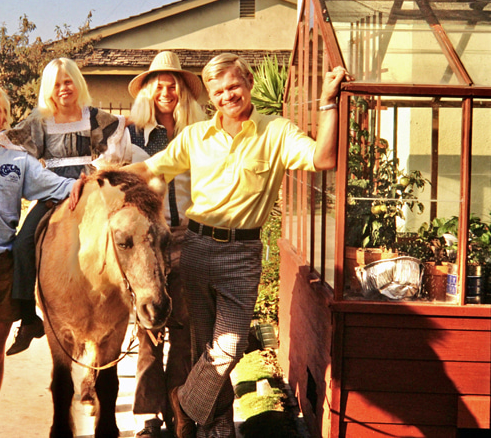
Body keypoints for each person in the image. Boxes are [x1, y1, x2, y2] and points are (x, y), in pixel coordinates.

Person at [125, 53, 350, 438]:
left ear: (247, 83)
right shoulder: (196, 137)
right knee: (203, 350)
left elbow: (323, 158)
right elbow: (149, 168)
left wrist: (329, 102)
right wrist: (96, 177)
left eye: (234, 86)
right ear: (210, 97)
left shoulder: (276, 132)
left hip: (241, 255)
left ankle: (182, 401)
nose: (227, 95)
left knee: (226, 349)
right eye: (218, 90)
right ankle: (219, 429)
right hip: (196, 248)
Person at [0, 83, 83, 438]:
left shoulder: (18, 161)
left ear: (5, 118)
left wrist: (85, 183)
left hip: (8, 270)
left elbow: (57, 186)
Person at [0, 57, 131, 356]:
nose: (63, 88)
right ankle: (28, 317)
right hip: (52, 188)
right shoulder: (41, 119)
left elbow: (122, 124)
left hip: (90, 186)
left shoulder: (92, 116)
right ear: (49, 87)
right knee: (22, 245)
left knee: (119, 236)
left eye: (68, 81)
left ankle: (128, 299)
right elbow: (10, 140)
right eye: (57, 83)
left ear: (77, 83)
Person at [126, 51, 206, 438]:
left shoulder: (200, 133)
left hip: (189, 236)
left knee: (184, 327)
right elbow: (111, 171)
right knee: (148, 329)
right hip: (149, 241)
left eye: (173, 82)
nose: (166, 89)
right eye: (159, 82)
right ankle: (147, 417)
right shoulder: (132, 134)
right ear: (148, 89)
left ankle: (179, 411)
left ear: (183, 92)